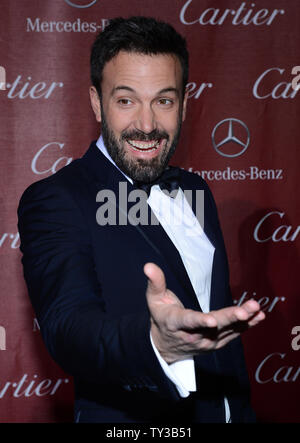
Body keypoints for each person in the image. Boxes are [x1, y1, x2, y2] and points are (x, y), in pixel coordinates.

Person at [18, 16, 265, 423]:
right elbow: (68, 329)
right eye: (126, 100)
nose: (147, 125)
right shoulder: (56, 199)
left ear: (184, 103)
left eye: (163, 101)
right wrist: (157, 344)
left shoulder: (194, 189)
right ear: (97, 101)